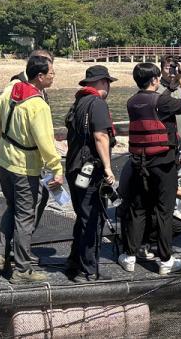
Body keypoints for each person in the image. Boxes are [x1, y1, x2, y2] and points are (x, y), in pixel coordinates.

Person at [0, 55, 64, 283]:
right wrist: (56, 168)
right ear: (40, 76)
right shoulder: (38, 105)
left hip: (4, 163)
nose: (54, 76)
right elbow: (45, 142)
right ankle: (22, 270)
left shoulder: (11, 92)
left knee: (11, 208)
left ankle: (1, 256)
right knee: (25, 217)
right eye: (51, 73)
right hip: (24, 167)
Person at [118, 62, 181, 276]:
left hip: (139, 163)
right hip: (163, 164)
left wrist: (170, 85)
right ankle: (165, 260)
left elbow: (156, 103)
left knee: (138, 209)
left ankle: (130, 256)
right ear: (154, 80)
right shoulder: (161, 101)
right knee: (164, 211)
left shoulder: (132, 101)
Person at [64, 65, 118, 283]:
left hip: (74, 168)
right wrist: (108, 167)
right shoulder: (97, 103)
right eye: (108, 83)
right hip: (90, 169)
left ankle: (74, 261)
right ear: (103, 82)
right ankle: (87, 270)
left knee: (83, 216)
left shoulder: (79, 102)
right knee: (93, 219)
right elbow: (101, 136)